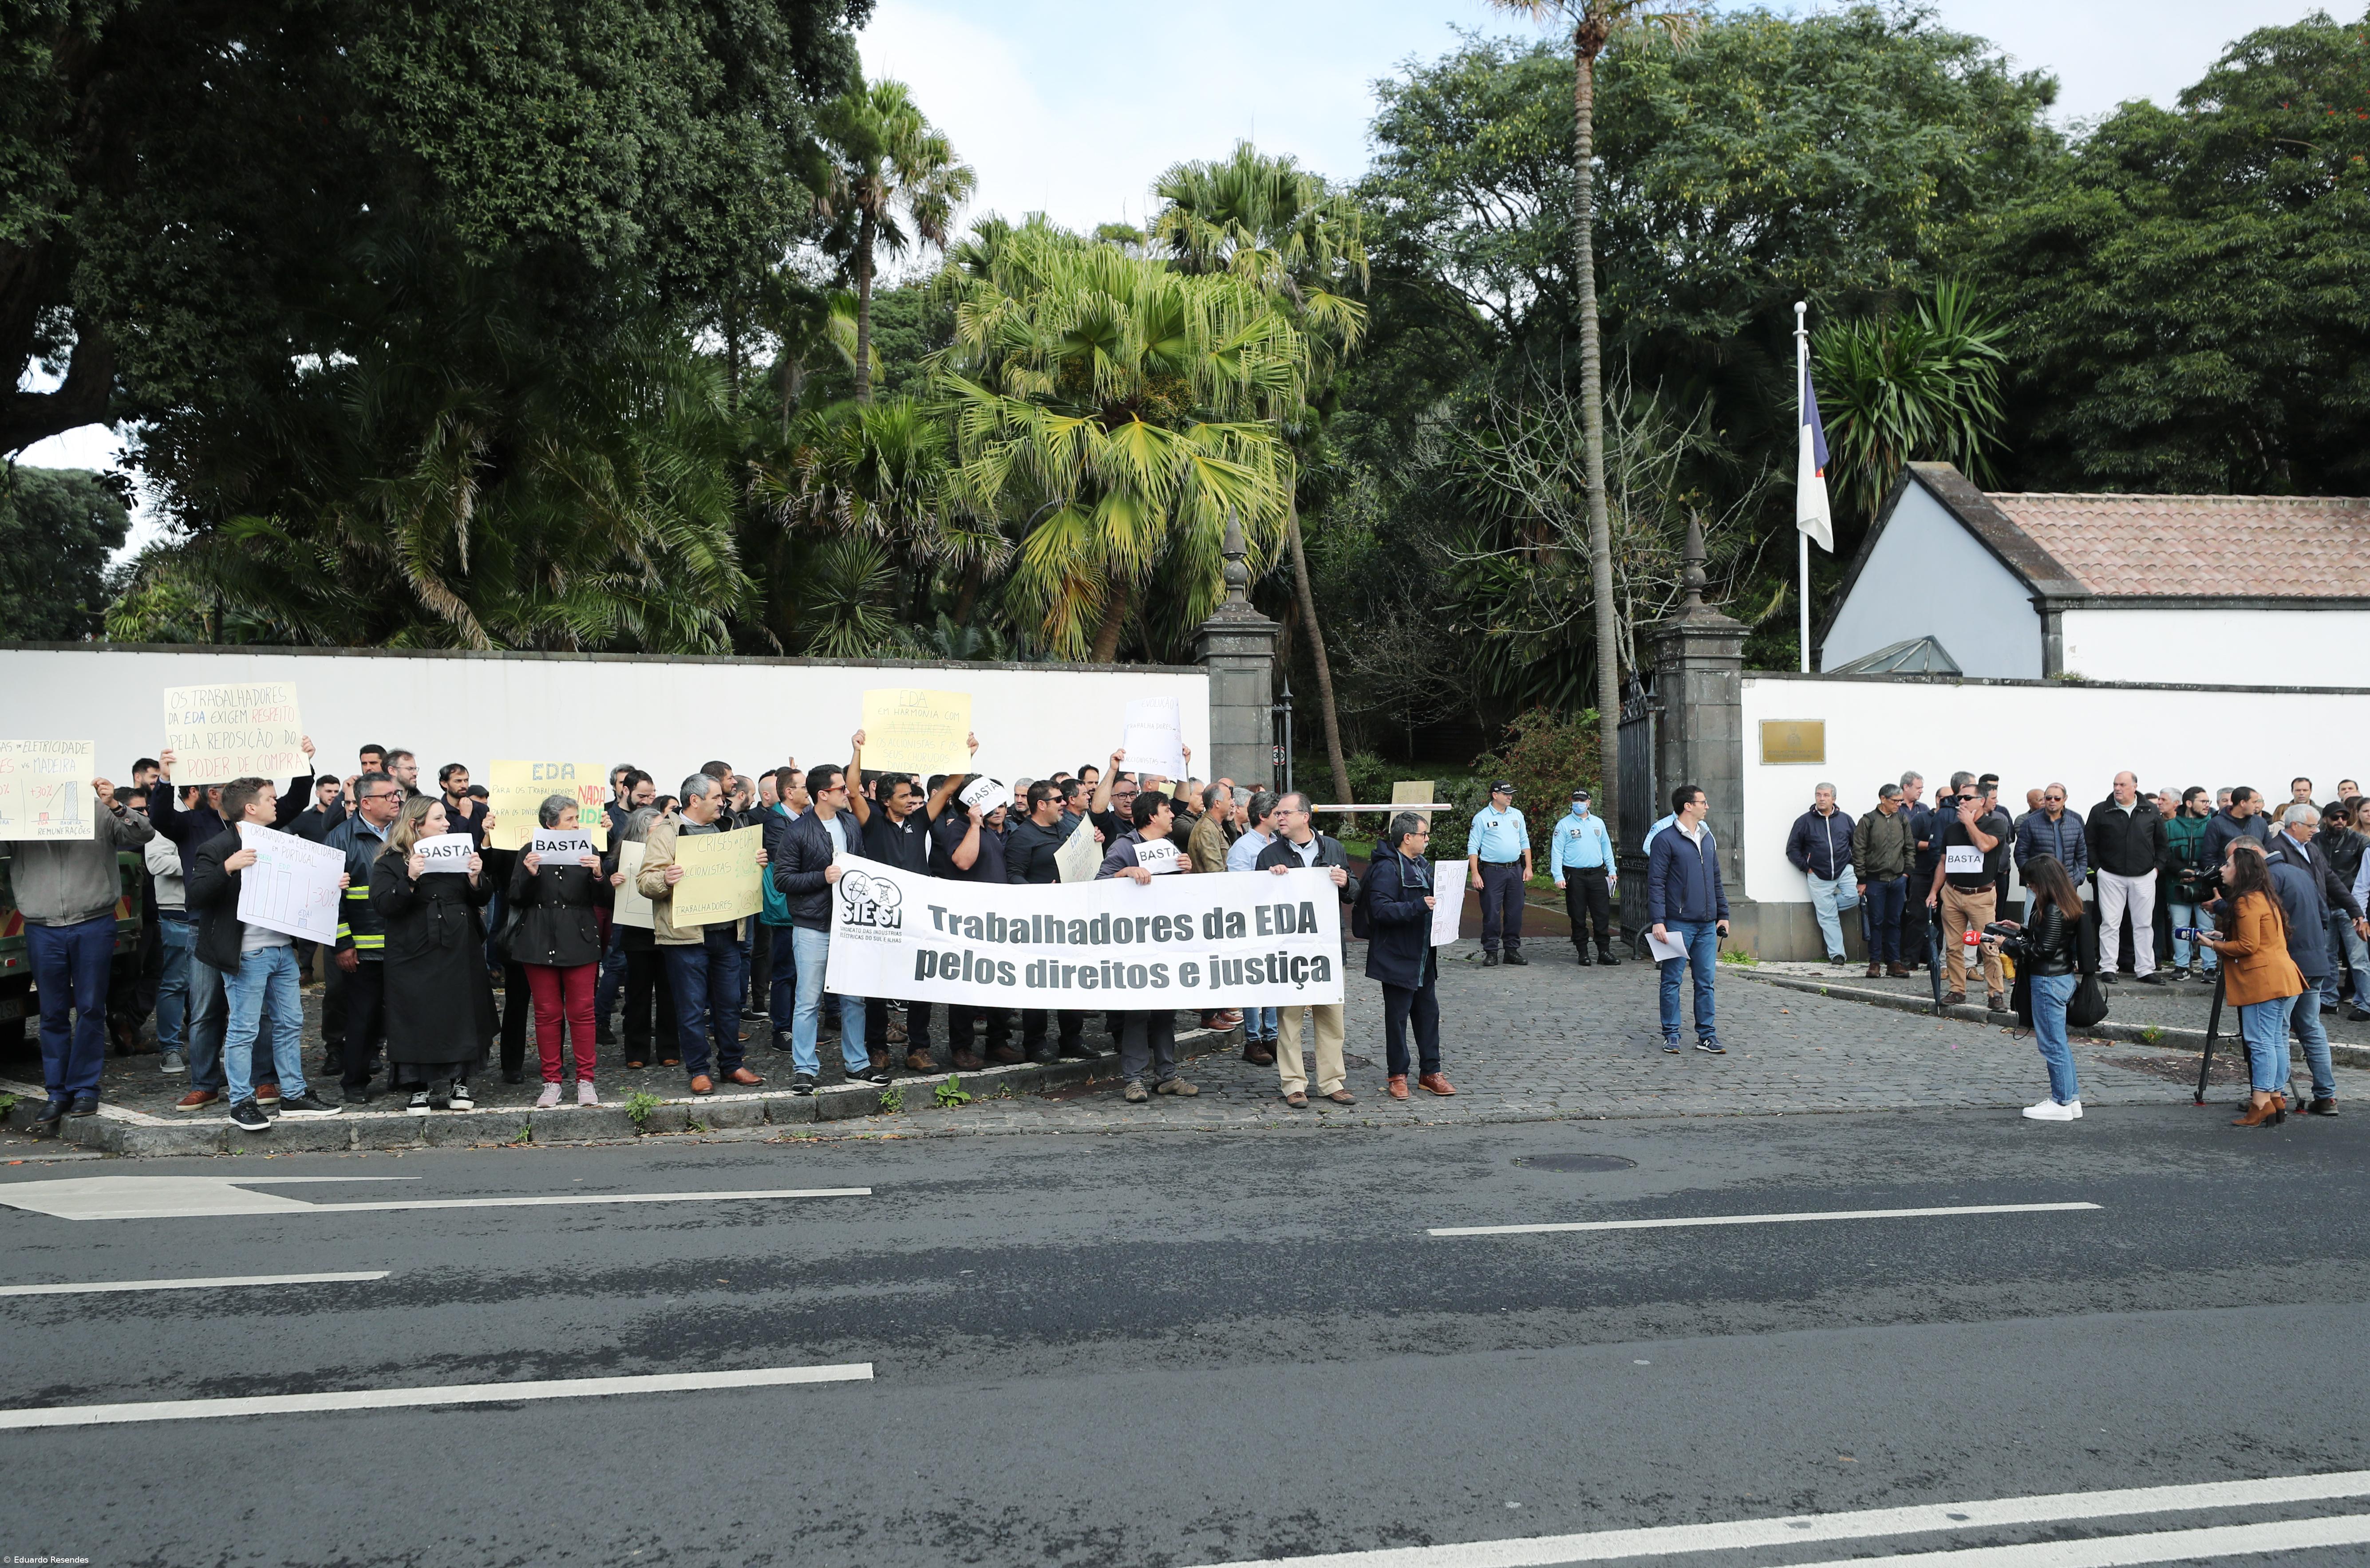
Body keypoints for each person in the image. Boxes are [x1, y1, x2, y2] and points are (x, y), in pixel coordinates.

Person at [186, 777, 344, 1133]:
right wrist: (227, 868)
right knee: (243, 1029)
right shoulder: (218, 847)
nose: (278, 804)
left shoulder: (283, 842)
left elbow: (299, 888)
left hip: (281, 950)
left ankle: (293, 1094)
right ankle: (240, 1101)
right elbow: (196, 896)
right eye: (271, 799)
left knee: (291, 1024)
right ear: (250, 807)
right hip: (245, 954)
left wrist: (331, 885)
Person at [9, 772, 154, 1130]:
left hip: (93, 923)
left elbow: (144, 834)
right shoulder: (17, 816)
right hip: (43, 927)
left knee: (90, 1007)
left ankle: (86, 1087)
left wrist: (116, 806)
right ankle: (57, 1092)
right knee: (52, 1013)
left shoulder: (99, 811)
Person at [639, 773, 767, 1096]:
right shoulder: (666, 834)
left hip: (727, 934)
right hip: (686, 939)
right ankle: (698, 1070)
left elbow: (741, 874)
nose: (723, 802)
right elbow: (645, 882)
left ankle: (732, 1065)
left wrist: (757, 863)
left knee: (729, 1004)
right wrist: (665, 880)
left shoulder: (730, 827)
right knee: (692, 1008)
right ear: (695, 800)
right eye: (716, 798)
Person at [371, 795, 496, 1111]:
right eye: (439, 819)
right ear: (417, 825)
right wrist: (410, 878)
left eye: (446, 818)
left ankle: (460, 1084)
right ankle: (419, 1087)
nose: (447, 824)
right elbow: (384, 905)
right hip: (412, 951)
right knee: (417, 1015)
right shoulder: (391, 861)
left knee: (461, 1011)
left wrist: (475, 877)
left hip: (458, 946)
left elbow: (481, 896)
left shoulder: (457, 853)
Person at [846, 734, 958, 1071]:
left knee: (920, 980)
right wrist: (858, 751)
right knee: (878, 982)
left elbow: (951, 786)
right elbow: (852, 788)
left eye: (914, 795)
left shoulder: (920, 819)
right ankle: (877, 1047)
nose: (913, 799)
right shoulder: (871, 821)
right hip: (881, 915)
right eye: (905, 796)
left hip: (916, 912)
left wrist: (962, 752)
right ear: (885, 800)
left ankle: (919, 1048)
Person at [768, 762, 877, 1095]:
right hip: (812, 927)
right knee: (808, 1000)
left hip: (848, 925)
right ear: (823, 794)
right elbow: (782, 879)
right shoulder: (798, 831)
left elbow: (860, 862)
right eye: (842, 788)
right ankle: (804, 1068)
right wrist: (822, 877)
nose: (848, 793)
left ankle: (857, 1065)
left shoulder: (849, 824)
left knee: (854, 999)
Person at [1256, 791, 1359, 1109]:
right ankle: (1294, 1085)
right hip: (1289, 952)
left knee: (1331, 1019)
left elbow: (1355, 892)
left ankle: (1332, 1082)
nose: (1280, 818)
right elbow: (1255, 903)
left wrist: (1346, 882)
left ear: (1305, 816)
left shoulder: (1334, 849)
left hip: (1326, 949)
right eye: (1277, 814)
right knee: (1289, 1020)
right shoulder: (1269, 855)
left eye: (1286, 813)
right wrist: (1270, 882)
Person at [1096, 791, 1198, 1103]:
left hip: (1165, 945)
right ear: (1152, 816)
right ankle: (1134, 1079)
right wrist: (1125, 872)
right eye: (1168, 810)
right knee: (1138, 1014)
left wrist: (1186, 871)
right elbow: (1097, 885)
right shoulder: (1124, 847)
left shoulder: (1168, 848)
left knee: (1166, 1013)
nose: (1172, 816)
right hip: (1135, 947)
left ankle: (1167, 1076)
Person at [2196, 839, 2306, 1127]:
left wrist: (2212, 945)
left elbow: (2247, 946)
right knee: (2276, 1040)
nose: (2223, 868)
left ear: (2241, 870)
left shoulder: (2246, 900)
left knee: (2260, 1043)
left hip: (2263, 981)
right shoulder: (2264, 896)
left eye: (2228, 864)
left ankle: (2261, 1103)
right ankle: (2275, 1098)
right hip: (2284, 976)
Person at [510, 795, 608, 1108]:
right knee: (547, 1013)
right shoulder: (529, 852)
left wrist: (598, 874)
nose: (577, 824)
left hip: (579, 938)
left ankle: (586, 1080)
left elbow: (606, 899)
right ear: (551, 824)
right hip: (538, 940)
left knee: (582, 1012)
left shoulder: (589, 850)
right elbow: (515, 896)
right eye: (570, 819)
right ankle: (551, 1081)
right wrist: (530, 874)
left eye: (577, 818)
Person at [322, 770, 402, 1103]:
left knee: (404, 1016)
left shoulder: (406, 833)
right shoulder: (341, 838)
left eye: (398, 795)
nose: (397, 800)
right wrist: (343, 944)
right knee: (363, 1017)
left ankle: (406, 1078)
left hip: (404, 946)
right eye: (390, 796)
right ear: (366, 803)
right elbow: (329, 897)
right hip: (364, 950)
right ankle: (355, 1082)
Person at [1005, 780, 1093, 1064]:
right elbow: (1014, 875)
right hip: (1039, 921)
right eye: (1058, 800)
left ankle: (1072, 1039)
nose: (1064, 804)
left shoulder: (1063, 827)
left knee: (1072, 981)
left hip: (1070, 918)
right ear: (1041, 805)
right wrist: (1040, 894)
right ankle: (1036, 1044)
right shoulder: (1022, 837)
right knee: (1039, 983)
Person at [934, 774, 1019, 1067]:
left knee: (999, 982)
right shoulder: (959, 829)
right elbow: (964, 862)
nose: (996, 808)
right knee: (966, 986)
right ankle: (961, 1047)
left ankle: (998, 1042)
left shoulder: (993, 832)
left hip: (996, 918)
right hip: (970, 920)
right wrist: (972, 824)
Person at [1999, 854, 2092, 1122]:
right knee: (2059, 1042)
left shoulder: (2051, 908)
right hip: (2060, 979)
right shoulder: (2065, 903)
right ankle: (2071, 1099)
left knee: (2052, 1043)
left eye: (2032, 883)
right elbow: (2050, 939)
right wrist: (2020, 929)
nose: (2030, 888)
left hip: (2047, 981)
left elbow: (2042, 950)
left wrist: (2006, 944)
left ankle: (2061, 1102)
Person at [1365, 811, 1450, 1100]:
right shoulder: (1387, 869)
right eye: (1423, 834)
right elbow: (1380, 910)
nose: (1427, 839)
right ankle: (1397, 1075)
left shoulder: (1422, 865)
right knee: (1398, 1018)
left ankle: (1431, 1072)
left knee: (1429, 1016)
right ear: (1407, 838)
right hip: (1397, 957)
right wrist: (1417, 906)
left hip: (1424, 957)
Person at [1646, 784, 1729, 1054]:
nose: (1707, 807)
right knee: (1672, 980)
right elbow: (1656, 883)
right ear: (1688, 806)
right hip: (1676, 923)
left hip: (1706, 924)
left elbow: (1715, 879)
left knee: (1706, 981)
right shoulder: (1665, 839)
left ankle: (1707, 1035)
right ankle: (1671, 1034)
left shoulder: (1707, 837)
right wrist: (1659, 920)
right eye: (1703, 802)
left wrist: (1723, 915)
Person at [1925, 777, 2010, 1011]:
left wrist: (1969, 824)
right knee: (1953, 946)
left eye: (1967, 798)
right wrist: (1935, 891)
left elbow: (1984, 846)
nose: (1961, 802)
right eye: (1958, 798)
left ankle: (1996, 994)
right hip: (1953, 893)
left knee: (1988, 946)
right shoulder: (1952, 830)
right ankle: (1957, 990)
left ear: (1982, 801)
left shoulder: (1995, 825)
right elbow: (1944, 862)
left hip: (1981, 895)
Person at [604, 805, 677, 1072]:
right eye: (659, 828)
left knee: (670, 992)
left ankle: (670, 1048)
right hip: (637, 935)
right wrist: (610, 883)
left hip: (668, 930)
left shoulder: (673, 853)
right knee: (637, 994)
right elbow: (604, 899)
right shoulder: (620, 860)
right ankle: (636, 1050)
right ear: (643, 830)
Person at [2086, 771, 2166, 985]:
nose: (2117, 788)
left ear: (2135, 786)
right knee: (2110, 923)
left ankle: (2145, 968)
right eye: (2115, 784)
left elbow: (2162, 844)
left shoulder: (2151, 811)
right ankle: (2108, 968)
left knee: (2144, 924)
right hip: (2110, 875)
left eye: (2122, 784)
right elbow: (2090, 843)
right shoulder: (2101, 810)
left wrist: (2156, 870)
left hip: (2145, 876)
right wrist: (2098, 869)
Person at [1227, 791, 1283, 1065]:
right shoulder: (1243, 848)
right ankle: (1253, 1039)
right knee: (1253, 980)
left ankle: (1272, 1034)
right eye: (1277, 814)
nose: (1281, 818)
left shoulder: (1278, 842)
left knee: (1271, 978)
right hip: (1250, 923)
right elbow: (1238, 889)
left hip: (1273, 922)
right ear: (1263, 817)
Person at [1785, 782, 1857, 966]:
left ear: (1834, 798)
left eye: (1826, 795)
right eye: (1818, 795)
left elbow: (1857, 844)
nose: (1821, 799)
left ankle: (1827, 909)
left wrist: (1853, 863)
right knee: (1828, 917)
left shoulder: (1846, 820)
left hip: (1844, 870)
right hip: (1818, 874)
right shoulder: (1804, 821)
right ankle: (1838, 955)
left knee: (1856, 895)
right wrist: (1807, 868)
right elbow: (1792, 849)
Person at [1852, 782, 1915, 978]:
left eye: (1900, 801)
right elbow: (1858, 850)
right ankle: (1875, 962)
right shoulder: (1868, 821)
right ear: (1883, 799)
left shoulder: (1902, 819)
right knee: (1876, 922)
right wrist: (1862, 879)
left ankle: (1894, 962)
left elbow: (1909, 847)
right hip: (1874, 880)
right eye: (1895, 801)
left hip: (1897, 879)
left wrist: (1907, 873)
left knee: (1895, 922)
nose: (1899, 804)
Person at [143, 817, 191, 1075]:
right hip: (177, 913)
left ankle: (208, 1046)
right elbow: (157, 862)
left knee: (212, 987)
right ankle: (170, 1049)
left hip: (211, 912)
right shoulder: (166, 822)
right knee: (175, 984)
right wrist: (201, 861)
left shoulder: (219, 820)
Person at [1465, 781, 1532, 965]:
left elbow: (1524, 841)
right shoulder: (1482, 817)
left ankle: (1511, 950)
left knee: (1515, 912)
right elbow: (1473, 846)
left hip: (1515, 870)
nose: (1510, 797)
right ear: (1495, 795)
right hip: (1492, 871)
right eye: (1506, 794)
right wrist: (1475, 874)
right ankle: (1491, 951)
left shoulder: (1517, 815)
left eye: (1511, 794)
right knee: (1492, 913)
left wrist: (1528, 867)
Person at [1549, 789, 1616, 965]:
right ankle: (1583, 952)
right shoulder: (1564, 825)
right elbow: (1557, 852)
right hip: (1575, 876)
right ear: (1572, 802)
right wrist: (1558, 875)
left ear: (1589, 802)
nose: (1579, 803)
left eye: (1583, 800)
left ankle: (1604, 952)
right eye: (1576, 800)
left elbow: (1606, 848)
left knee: (1601, 915)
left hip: (1597, 874)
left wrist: (1612, 869)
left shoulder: (1598, 823)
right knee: (1578, 915)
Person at [2162, 786, 2217, 981]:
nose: (2207, 805)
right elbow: (2164, 854)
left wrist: (2199, 873)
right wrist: (2181, 871)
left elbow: (2214, 853)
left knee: (2206, 925)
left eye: (2208, 802)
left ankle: (2209, 967)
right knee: (2180, 926)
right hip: (2177, 883)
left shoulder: (2212, 824)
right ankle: (2182, 965)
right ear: (2189, 803)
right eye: (2203, 801)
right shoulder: (2169, 826)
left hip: (2205, 884)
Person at [2014, 784, 2088, 896]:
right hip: (2039, 886)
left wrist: (2079, 878)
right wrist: (2032, 879)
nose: (2052, 801)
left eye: (2057, 798)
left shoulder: (2075, 824)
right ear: (2045, 799)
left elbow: (2082, 855)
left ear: (2065, 799)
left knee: (2069, 915)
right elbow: (2021, 854)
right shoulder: (2030, 823)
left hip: (2068, 885)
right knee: (2035, 914)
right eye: (2049, 798)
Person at [1899, 771, 1934, 968]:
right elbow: (1903, 840)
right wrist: (1926, 845)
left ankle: (1924, 954)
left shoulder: (1925, 810)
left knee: (1923, 914)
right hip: (1903, 868)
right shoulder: (1897, 808)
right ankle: (1905, 955)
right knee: (1907, 914)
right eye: (1918, 787)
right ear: (1906, 787)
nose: (1921, 791)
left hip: (1922, 869)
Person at [2202, 786, 2269, 867]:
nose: (2257, 805)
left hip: (2256, 876)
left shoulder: (2261, 822)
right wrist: (2222, 874)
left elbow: (2268, 850)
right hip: (2227, 876)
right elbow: (2208, 856)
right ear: (2243, 803)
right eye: (2254, 802)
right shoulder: (2216, 823)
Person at [1187, 781, 1232, 875]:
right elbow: (1215, 871)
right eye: (1229, 799)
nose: (1232, 803)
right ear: (1217, 803)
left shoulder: (1214, 825)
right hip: (1210, 887)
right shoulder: (1206, 830)